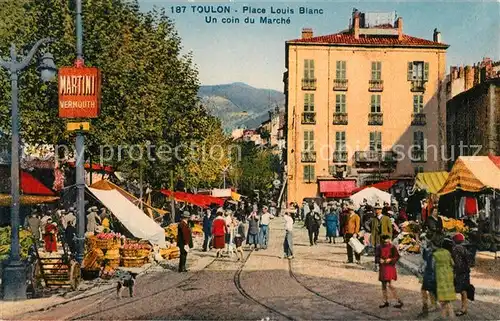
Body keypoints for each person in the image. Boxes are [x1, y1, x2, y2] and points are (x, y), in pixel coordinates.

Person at [376, 234, 403, 309]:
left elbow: (397, 256)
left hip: (389, 267)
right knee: (383, 285)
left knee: (389, 284)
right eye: (385, 242)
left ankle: (398, 300)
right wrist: (379, 260)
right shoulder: (379, 247)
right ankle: (385, 301)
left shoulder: (392, 247)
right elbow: (376, 256)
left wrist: (390, 259)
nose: (386, 243)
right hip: (383, 267)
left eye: (388, 242)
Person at [433, 236, 456, 319]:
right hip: (449, 277)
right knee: (447, 299)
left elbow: (432, 266)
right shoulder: (448, 253)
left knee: (443, 299)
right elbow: (453, 264)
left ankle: (446, 316)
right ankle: (446, 316)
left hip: (440, 278)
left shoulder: (435, 254)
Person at [452, 233, 472, 317]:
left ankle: (463, 309)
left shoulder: (455, 249)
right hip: (465, 271)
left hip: (460, 272)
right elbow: (469, 260)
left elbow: (456, 262)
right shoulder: (464, 249)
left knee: (462, 290)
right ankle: (464, 307)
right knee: (463, 290)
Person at [418, 234, 437, 318]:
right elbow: (424, 259)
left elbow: (431, 264)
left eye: (424, 240)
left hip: (431, 274)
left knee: (429, 290)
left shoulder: (432, 252)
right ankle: (432, 304)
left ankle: (432, 305)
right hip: (429, 273)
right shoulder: (428, 251)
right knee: (427, 290)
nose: (423, 241)